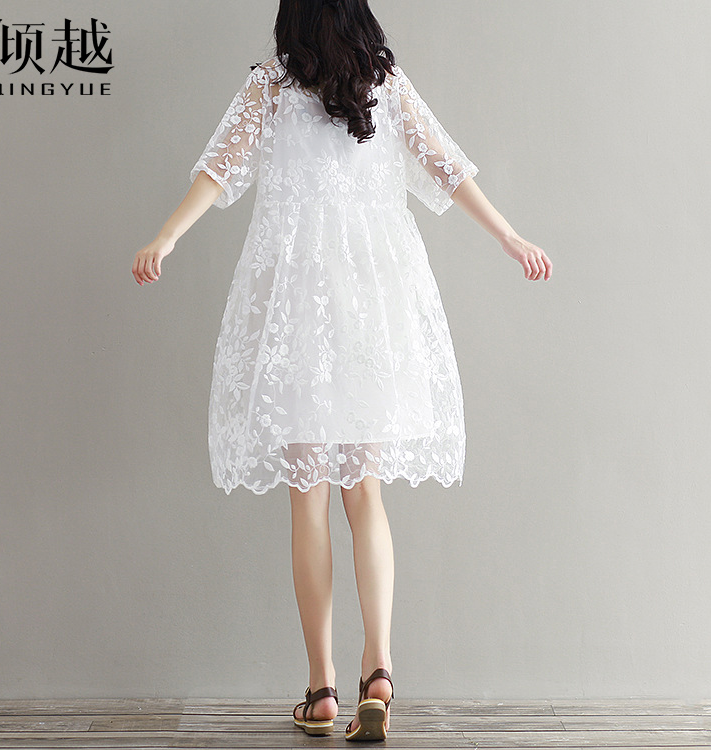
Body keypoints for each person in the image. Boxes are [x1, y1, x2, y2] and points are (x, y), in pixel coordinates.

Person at [132, 0, 552, 741]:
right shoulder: (383, 85)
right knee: (366, 494)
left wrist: (166, 235)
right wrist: (510, 236)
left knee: (309, 500)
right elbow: (447, 168)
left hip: (301, 309)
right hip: (374, 306)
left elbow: (218, 171)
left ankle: (321, 689)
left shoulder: (269, 87)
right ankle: (378, 671)